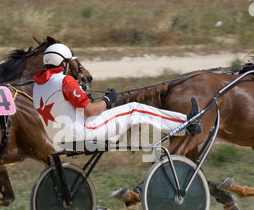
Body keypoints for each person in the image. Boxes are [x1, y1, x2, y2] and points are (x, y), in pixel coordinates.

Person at [32, 43, 201, 152]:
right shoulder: (66, 81)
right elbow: (90, 111)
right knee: (135, 109)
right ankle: (186, 124)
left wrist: (86, 99)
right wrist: (107, 101)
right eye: (69, 63)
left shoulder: (37, 86)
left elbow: (65, 108)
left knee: (124, 114)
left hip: (57, 136)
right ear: (64, 64)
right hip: (83, 132)